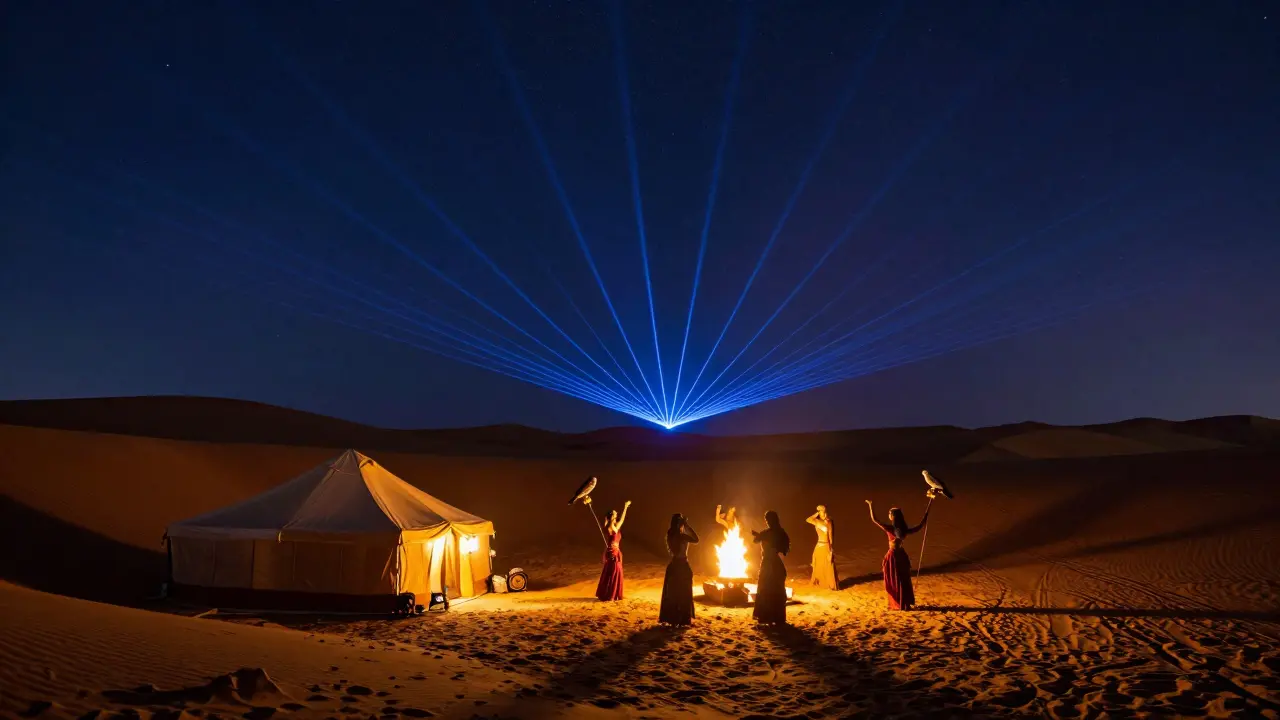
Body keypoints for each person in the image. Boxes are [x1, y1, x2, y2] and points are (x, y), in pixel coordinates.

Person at [865, 496, 931, 610]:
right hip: (901, 556)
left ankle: (898, 603)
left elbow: (874, 520)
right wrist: (926, 515)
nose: (889, 515)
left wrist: (870, 505)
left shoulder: (891, 529)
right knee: (902, 578)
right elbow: (920, 526)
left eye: (890, 513)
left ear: (893, 516)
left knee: (894, 579)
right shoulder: (903, 530)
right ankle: (903, 602)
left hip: (893, 557)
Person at [658, 513, 700, 625]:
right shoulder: (682, 536)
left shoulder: (670, 534)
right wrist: (687, 526)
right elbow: (696, 539)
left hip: (673, 565)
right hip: (682, 565)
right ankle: (682, 619)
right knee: (684, 592)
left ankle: (673, 618)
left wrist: (683, 525)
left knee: (673, 593)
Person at [750, 510, 790, 625]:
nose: (767, 522)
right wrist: (759, 536)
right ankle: (770, 616)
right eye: (766, 520)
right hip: (771, 562)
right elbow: (756, 540)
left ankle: (772, 617)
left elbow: (783, 547)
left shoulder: (775, 532)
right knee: (769, 589)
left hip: (771, 563)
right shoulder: (773, 532)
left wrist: (761, 537)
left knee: (770, 589)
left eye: (768, 520)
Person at [595, 499, 630, 601]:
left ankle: (611, 593)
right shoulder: (610, 526)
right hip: (612, 552)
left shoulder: (613, 526)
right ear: (612, 516)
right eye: (615, 513)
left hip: (615, 551)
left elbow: (622, 520)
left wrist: (625, 507)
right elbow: (617, 523)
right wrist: (625, 507)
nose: (617, 514)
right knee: (613, 571)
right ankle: (610, 594)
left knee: (615, 571)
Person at [805, 505, 839, 590]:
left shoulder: (829, 522)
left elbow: (831, 536)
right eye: (819, 511)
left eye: (821, 511)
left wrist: (831, 548)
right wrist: (816, 513)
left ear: (824, 511)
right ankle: (819, 582)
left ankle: (830, 585)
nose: (820, 512)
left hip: (826, 545)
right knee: (818, 564)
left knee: (828, 564)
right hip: (819, 546)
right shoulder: (817, 521)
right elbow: (808, 520)